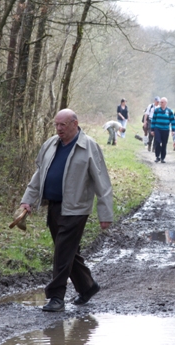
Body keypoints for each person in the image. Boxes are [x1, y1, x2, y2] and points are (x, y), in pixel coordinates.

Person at [19, 109, 113, 312]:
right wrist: (28, 200)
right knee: (68, 251)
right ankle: (88, 287)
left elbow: (102, 183)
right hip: (54, 205)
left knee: (62, 251)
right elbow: (39, 174)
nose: (59, 129)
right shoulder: (50, 144)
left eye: (63, 125)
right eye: (56, 125)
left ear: (74, 123)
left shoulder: (89, 147)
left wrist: (105, 214)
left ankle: (56, 297)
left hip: (77, 208)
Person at [150, 97, 175, 163]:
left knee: (164, 144)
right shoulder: (157, 110)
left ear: (166, 103)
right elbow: (153, 120)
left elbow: (173, 121)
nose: (160, 103)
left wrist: (173, 130)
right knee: (157, 142)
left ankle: (162, 158)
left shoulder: (169, 111)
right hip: (157, 128)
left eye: (162, 102)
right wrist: (152, 130)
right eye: (160, 102)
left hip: (165, 129)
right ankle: (157, 156)